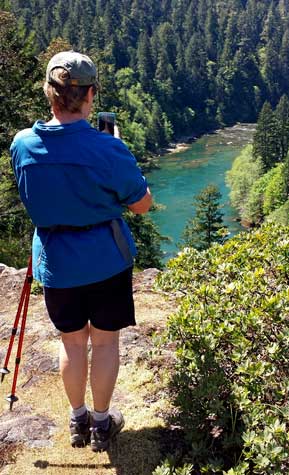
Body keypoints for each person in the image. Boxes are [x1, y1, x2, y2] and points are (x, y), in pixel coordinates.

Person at [10, 51, 152, 452]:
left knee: (72, 343)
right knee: (105, 343)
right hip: (105, 259)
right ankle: (103, 424)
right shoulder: (106, 148)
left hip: (55, 261)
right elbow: (140, 203)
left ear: (49, 94)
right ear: (90, 94)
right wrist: (118, 150)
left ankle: (77, 418)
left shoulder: (22, 144)